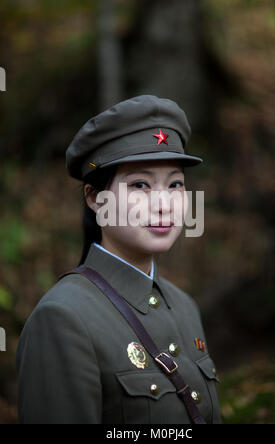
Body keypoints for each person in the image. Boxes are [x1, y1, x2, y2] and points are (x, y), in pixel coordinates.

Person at [16, 95, 221, 424]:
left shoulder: (184, 307)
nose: (164, 204)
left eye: (175, 185)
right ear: (96, 199)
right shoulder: (63, 319)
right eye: (140, 184)